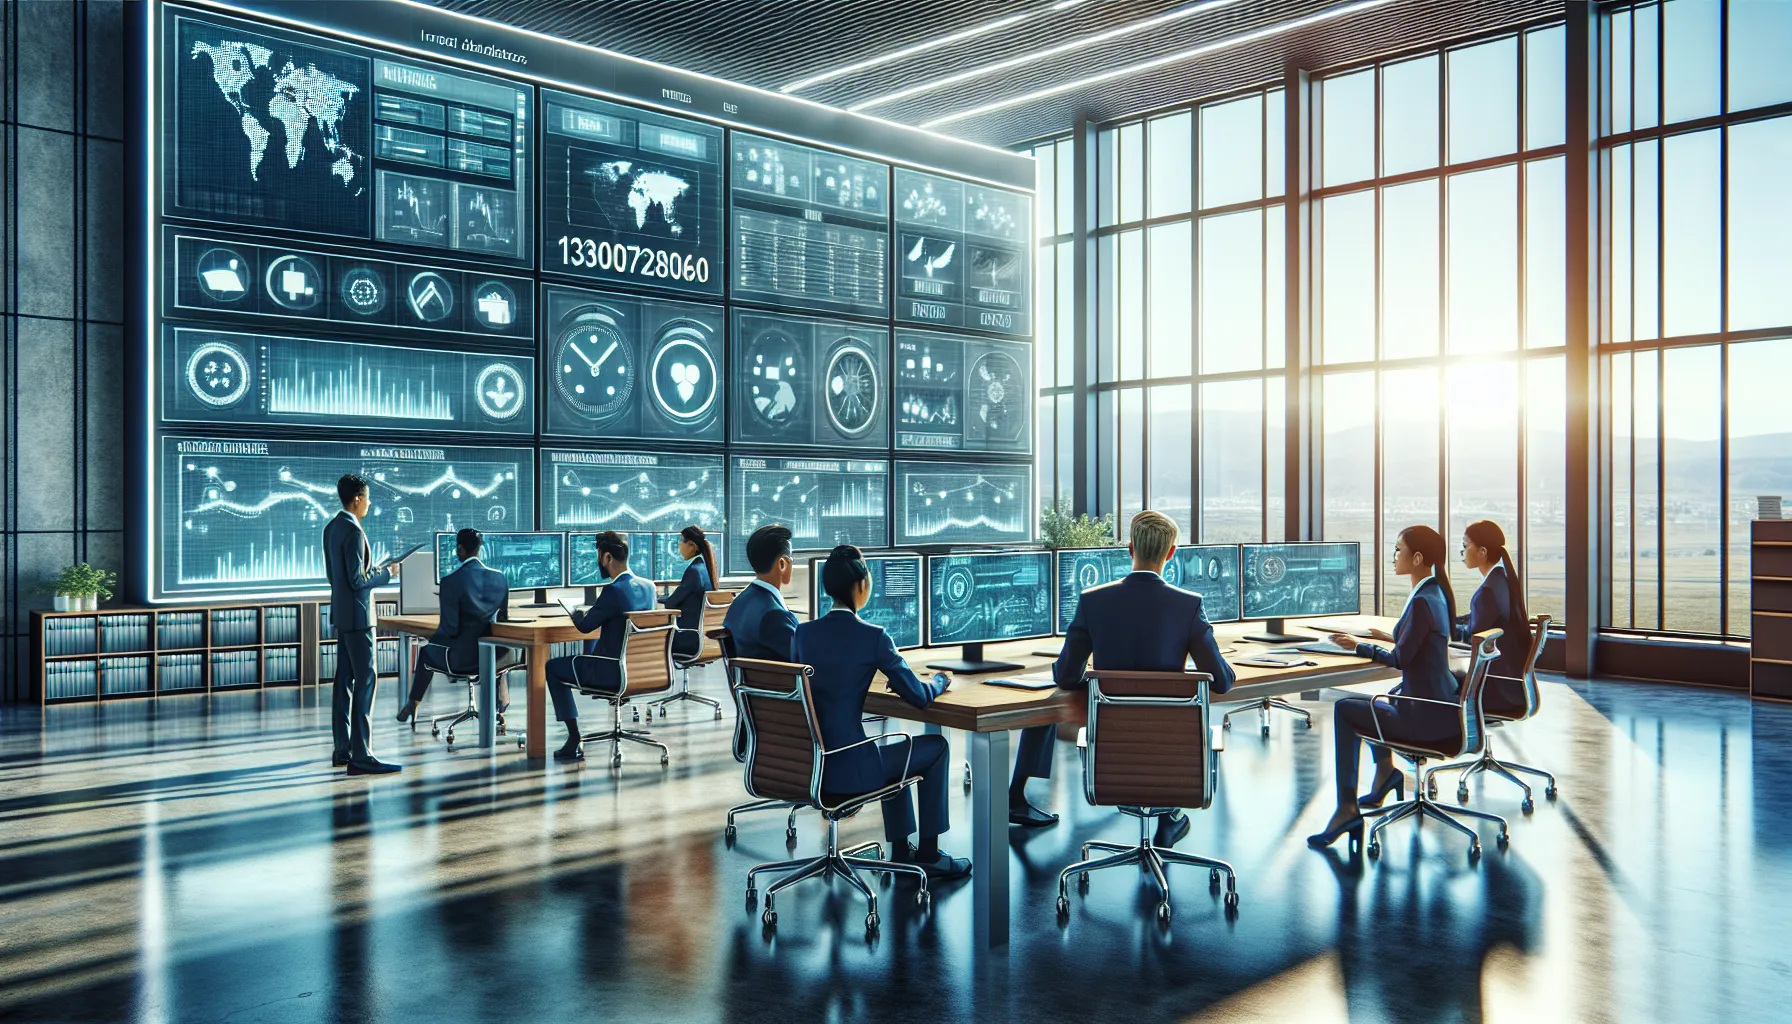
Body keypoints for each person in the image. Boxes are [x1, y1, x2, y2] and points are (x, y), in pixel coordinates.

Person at [1011, 510, 1237, 846]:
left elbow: (1066, 675)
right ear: (1172, 553)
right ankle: (1170, 814)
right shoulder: (1190, 606)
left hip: (1110, 747)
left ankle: (1017, 793)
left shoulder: (1093, 602)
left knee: (1048, 706)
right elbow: (1221, 681)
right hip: (1170, 749)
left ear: (1130, 549)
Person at [794, 546, 971, 880]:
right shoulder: (874, 637)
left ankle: (902, 850)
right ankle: (930, 855)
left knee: (893, 756)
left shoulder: (802, 634)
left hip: (810, 766)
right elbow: (919, 698)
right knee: (935, 748)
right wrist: (939, 681)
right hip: (851, 772)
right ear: (861, 586)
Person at [1310, 525, 1460, 849]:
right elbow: (1420, 643)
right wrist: (1390, 635)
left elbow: (1401, 659)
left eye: (1398, 550)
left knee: (1345, 709)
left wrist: (1356, 646)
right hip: (1441, 709)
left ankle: (1347, 810)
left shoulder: (1422, 600)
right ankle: (1385, 776)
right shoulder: (1435, 594)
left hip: (1423, 719)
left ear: (1417, 557)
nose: (1394, 556)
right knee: (1374, 702)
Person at [544, 531, 656, 762]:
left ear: (606, 558)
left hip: (611, 672)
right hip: (644, 670)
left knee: (552, 667)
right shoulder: (649, 587)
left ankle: (574, 738)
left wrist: (575, 613)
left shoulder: (612, 591)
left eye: (597, 556)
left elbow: (585, 627)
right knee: (595, 645)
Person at [395, 528, 521, 724]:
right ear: (480, 549)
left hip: (463, 661)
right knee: (491, 650)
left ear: (460, 549)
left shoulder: (450, 582)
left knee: (426, 652)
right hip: (498, 657)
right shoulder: (500, 578)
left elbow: (450, 630)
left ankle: (413, 703)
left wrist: (431, 637)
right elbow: (502, 620)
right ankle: (501, 706)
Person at [324, 473, 398, 776]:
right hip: (358, 617)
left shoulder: (331, 527)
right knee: (367, 680)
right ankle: (362, 755)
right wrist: (385, 574)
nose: (369, 504)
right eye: (367, 498)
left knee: (344, 681)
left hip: (342, 614)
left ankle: (343, 749)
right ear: (357, 499)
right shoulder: (353, 531)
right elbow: (358, 580)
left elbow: (338, 578)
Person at [1456, 520, 1532, 688]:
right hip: (1508, 681)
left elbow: (1473, 637)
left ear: (1482, 551)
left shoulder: (1487, 592)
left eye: (1465, 545)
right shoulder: (1500, 581)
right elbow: (1480, 619)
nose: (1462, 551)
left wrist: (1442, 627)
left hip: (1493, 685)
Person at [721, 525, 798, 662]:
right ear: (782, 564)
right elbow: (802, 659)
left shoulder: (738, 602)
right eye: (792, 560)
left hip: (749, 682)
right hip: (778, 682)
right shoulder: (775, 615)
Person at [662, 526, 719, 659]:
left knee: (647, 642)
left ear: (692, 546)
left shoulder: (694, 572)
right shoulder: (704, 570)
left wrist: (658, 599)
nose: (679, 546)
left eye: (681, 541)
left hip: (687, 640)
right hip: (704, 639)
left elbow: (671, 603)